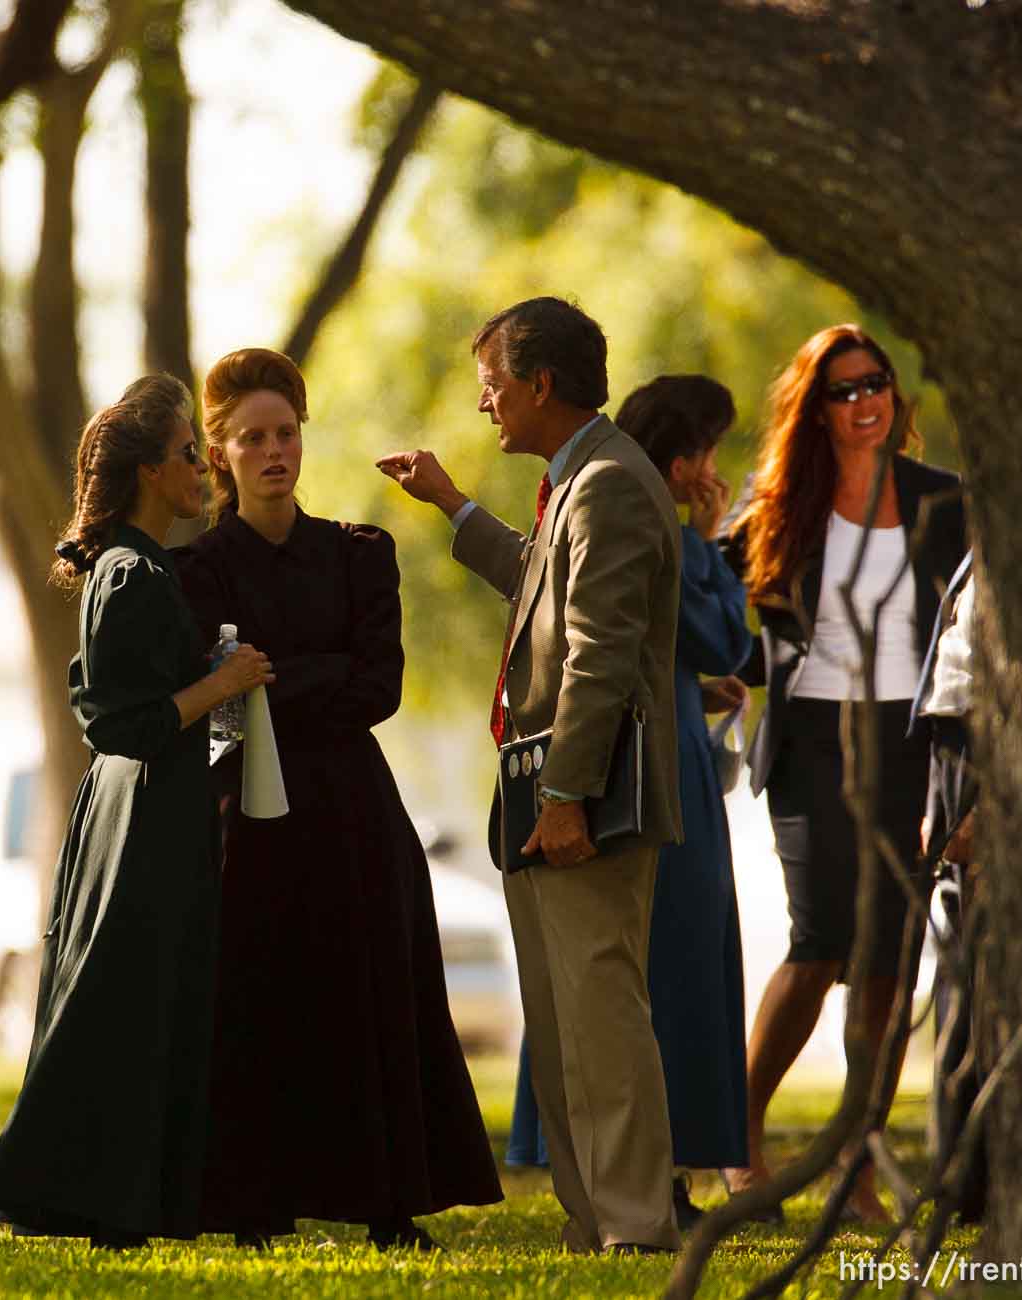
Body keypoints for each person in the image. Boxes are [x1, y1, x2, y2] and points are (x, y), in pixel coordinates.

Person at [173, 348, 502, 1251]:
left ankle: (388, 1207)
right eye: (253, 438)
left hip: (356, 812)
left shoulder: (362, 552)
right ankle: (252, 1211)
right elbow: (223, 705)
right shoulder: (200, 571)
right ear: (222, 453)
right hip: (251, 811)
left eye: (286, 433)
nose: (275, 451)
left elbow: (379, 689)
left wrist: (271, 675)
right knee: (258, 1002)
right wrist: (308, 675)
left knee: (372, 996)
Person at [377, 296, 685, 1254]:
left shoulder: (609, 485)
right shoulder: (578, 480)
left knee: (600, 1019)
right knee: (560, 1028)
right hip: (545, 794)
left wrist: (564, 798)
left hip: (583, 802)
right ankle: (600, 1217)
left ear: (541, 383)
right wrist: (452, 504)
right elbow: (540, 581)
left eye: (493, 386)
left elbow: (597, 655)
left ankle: (635, 1224)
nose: (484, 406)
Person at [0, 375, 274, 1249]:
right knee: (124, 1003)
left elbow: (179, 719)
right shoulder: (128, 572)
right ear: (149, 470)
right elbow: (117, 718)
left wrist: (227, 682)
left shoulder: (154, 570)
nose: (204, 465)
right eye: (189, 452)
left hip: (161, 809)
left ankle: (113, 1199)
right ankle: (87, 1201)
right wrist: (219, 684)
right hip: (137, 814)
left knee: (147, 1000)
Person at [717, 324, 968, 1222]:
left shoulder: (946, 501)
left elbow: (977, 640)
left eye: (878, 384)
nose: (865, 401)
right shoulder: (782, 502)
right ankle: (738, 1138)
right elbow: (715, 616)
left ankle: (857, 1165)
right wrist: (727, 670)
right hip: (815, 739)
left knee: (890, 960)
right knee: (820, 938)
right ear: (814, 409)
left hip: (914, 739)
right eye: (845, 389)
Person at [504, 375, 753, 1228]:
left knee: (617, 984)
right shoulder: (621, 497)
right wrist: (706, 540)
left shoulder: (609, 489)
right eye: (710, 452)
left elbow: (676, 644)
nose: (710, 471)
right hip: (646, 768)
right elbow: (716, 639)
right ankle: (634, 1197)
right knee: (634, 982)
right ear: (683, 457)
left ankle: (632, 1202)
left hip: (634, 768)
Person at [911, 548, 987, 1221]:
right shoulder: (971, 550)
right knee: (960, 980)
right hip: (955, 756)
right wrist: (941, 801)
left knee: (976, 981)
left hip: (984, 760)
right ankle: (959, 1177)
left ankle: (970, 1174)